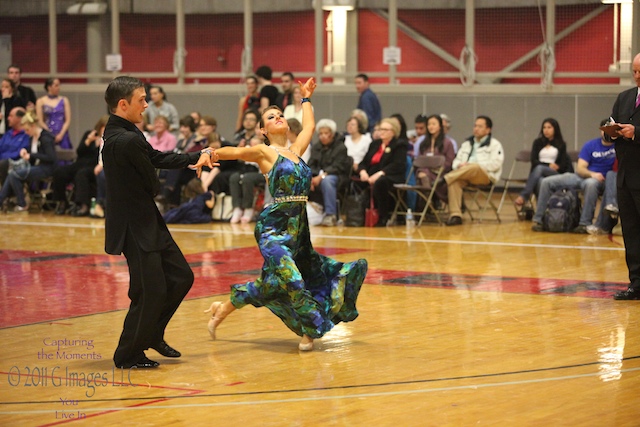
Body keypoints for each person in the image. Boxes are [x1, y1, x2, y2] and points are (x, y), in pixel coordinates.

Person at [203, 78, 367, 351]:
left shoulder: (295, 152)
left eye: (281, 115)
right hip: (273, 229)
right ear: (263, 129)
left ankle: (222, 309)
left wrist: (306, 98)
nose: (278, 118)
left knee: (269, 286)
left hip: (297, 230)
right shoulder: (264, 152)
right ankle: (310, 330)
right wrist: (210, 152)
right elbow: (236, 151)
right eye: (271, 116)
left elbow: (311, 127)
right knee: (293, 279)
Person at [102, 76, 215, 369]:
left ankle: (151, 333)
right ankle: (128, 354)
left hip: (147, 220)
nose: (146, 104)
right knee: (148, 291)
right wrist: (192, 159)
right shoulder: (123, 139)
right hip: (134, 226)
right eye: (141, 99)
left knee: (181, 277)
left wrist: (195, 157)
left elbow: (153, 158)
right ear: (123, 104)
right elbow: (151, 178)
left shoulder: (126, 132)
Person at [531, 120, 616, 234]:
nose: (607, 133)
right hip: (583, 175)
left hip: (602, 180)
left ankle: (584, 223)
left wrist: (595, 177)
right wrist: (591, 174)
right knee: (546, 182)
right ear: (601, 130)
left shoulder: (618, 147)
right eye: (605, 129)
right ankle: (539, 220)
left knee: (591, 184)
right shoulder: (590, 145)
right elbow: (580, 168)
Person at [609, 53, 640, 300]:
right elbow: (612, 123)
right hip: (626, 177)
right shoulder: (624, 97)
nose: (637, 76)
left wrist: (635, 132)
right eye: (634, 71)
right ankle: (636, 284)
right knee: (630, 231)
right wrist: (612, 132)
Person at [442, 115, 504, 226]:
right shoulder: (467, 144)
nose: (476, 128)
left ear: (488, 129)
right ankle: (456, 215)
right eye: (475, 126)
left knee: (474, 167)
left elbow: (496, 164)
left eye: (480, 126)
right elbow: (455, 162)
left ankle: (444, 179)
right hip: (465, 174)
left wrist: (473, 165)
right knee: (454, 182)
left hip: (485, 175)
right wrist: (460, 165)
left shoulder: (495, 145)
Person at [357, 117, 410, 226]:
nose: (381, 132)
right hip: (371, 175)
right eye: (380, 129)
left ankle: (383, 216)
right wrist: (363, 172)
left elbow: (398, 165)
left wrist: (380, 173)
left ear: (393, 132)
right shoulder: (375, 144)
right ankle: (358, 215)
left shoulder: (399, 145)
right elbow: (364, 162)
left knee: (380, 183)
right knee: (353, 181)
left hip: (391, 175)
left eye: (385, 130)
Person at [0, 111, 56, 212]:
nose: (26, 132)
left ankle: (22, 203)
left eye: (27, 129)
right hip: (36, 166)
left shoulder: (45, 138)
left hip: (47, 168)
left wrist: (31, 155)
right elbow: (32, 154)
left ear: (33, 125)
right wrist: (25, 152)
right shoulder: (32, 138)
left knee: (14, 174)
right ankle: (2, 200)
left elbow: (51, 157)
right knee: (12, 174)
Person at [51, 115, 107, 216]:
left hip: (93, 166)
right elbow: (79, 152)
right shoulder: (89, 134)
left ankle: (83, 205)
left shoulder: (109, 139)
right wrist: (88, 141)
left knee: (82, 174)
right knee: (59, 172)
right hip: (80, 163)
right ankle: (62, 202)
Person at [514, 118, 573, 207]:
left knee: (540, 168)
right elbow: (534, 161)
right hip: (539, 173)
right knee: (541, 180)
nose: (546, 130)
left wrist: (556, 167)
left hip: (554, 173)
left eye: (549, 127)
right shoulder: (537, 142)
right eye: (544, 127)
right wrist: (548, 165)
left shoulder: (561, 144)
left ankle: (524, 196)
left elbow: (563, 164)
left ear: (555, 129)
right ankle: (542, 211)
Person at [307, 118, 352, 226]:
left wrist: (321, 176)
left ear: (331, 134)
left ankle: (330, 215)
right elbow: (311, 164)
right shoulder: (316, 147)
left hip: (336, 176)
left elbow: (338, 167)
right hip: (317, 176)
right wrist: (311, 177)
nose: (322, 136)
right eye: (320, 133)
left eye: (325, 133)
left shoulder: (341, 147)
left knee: (327, 181)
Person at [416, 114, 456, 204]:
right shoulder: (423, 143)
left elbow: (449, 162)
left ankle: (425, 201)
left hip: (440, 173)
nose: (431, 126)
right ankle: (427, 199)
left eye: (434, 124)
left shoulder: (447, 143)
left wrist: (436, 167)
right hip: (422, 172)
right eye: (429, 124)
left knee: (424, 175)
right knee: (422, 173)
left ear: (440, 126)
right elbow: (419, 161)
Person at [36, 78, 72, 149]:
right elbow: (40, 120)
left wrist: (61, 134)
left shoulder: (64, 100)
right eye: (56, 85)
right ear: (49, 87)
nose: (58, 88)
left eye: (59, 85)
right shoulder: (41, 101)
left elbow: (67, 120)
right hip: (47, 133)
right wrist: (50, 134)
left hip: (62, 132)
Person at [0, 107, 29, 185]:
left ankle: (5, 194)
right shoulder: (8, 134)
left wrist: (3, 157)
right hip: (2, 161)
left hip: (16, 164)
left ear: (19, 118)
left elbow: (20, 153)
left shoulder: (27, 135)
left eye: (11, 116)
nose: (8, 118)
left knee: (3, 164)